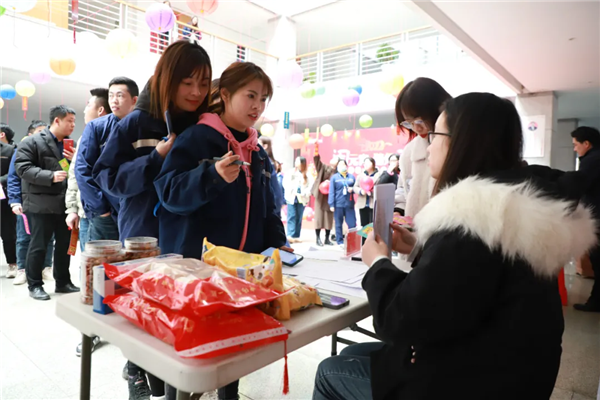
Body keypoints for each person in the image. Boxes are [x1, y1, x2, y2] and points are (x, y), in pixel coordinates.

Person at [314, 92, 596, 400]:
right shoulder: (509, 209)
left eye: (434, 134)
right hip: (513, 372)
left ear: (463, 143)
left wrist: (378, 263)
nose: (428, 144)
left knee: (329, 371)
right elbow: (468, 287)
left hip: (472, 383)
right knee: (354, 354)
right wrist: (417, 248)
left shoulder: (471, 219)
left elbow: (401, 321)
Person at [155, 61, 286, 400]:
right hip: (196, 267)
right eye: (250, 95)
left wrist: (278, 243)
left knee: (235, 341)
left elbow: (268, 205)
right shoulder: (198, 137)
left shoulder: (257, 151)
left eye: (264, 98)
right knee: (188, 346)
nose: (257, 106)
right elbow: (168, 192)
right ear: (225, 95)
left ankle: (230, 394)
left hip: (241, 268)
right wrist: (211, 175)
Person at [93, 41, 211, 400]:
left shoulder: (205, 126)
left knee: (178, 315)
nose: (196, 92)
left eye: (203, 83)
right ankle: (135, 374)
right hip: (144, 235)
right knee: (143, 314)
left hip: (188, 237)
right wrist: (155, 157)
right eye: (187, 82)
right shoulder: (137, 121)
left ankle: (175, 384)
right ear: (167, 79)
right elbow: (107, 177)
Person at [15, 106, 80, 301]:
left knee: (64, 245)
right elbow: (22, 168)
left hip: (64, 204)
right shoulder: (32, 142)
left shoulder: (70, 144)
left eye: (74, 121)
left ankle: (63, 282)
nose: (73, 125)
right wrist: (50, 176)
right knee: (39, 245)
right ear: (57, 121)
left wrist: (74, 160)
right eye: (69, 121)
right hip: (40, 203)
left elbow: (74, 172)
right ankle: (34, 284)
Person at [77, 78, 138, 244]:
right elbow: (83, 169)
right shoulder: (97, 127)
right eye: (111, 96)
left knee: (131, 257)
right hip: (105, 211)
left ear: (134, 100)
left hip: (134, 210)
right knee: (102, 258)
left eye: (120, 95)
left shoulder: (141, 126)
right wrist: (100, 208)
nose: (114, 100)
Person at [7, 121, 54, 285]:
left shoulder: (53, 149)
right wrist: (14, 200)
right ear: (30, 134)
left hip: (49, 201)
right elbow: (13, 177)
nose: (44, 135)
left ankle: (46, 267)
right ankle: (22, 269)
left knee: (49, 237)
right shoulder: (21, 149)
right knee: (23, 237)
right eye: (40, 132)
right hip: (26, 201)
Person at [66, 88, 111, 256]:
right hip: (86, 211)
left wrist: (101, 209)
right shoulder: (84, 137)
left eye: (88, 105)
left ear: (100, 110)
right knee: (88, 262)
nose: (85, 110)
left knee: (99, 262)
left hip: (101, 211)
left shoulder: (112, 134)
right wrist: (72, 208)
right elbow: (75, 175)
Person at [398, 77, 451, 217]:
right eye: (409, 123)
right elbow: (403, 189)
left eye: (420, 120)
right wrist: (398, 211)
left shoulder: (455, 146)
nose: (416, 128)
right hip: (413, 229)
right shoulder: (409, 152)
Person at [571, 126, 600, 312]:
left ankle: (596, 302)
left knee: (598, 260)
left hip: (597, 216)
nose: (575, 149)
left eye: (576, 145)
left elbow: (580, 184)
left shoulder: (592, 160)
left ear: (586, 144)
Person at [311, 143, 337, 246]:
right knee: (319, 218)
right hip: (320, 197)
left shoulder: (338, 172)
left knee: (328, 219)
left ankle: (327, 238)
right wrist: (316, 150)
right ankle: (317, 238)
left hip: (330, 197)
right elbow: (317, 161)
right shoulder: (323, 167)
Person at [0, 123, 17, 277]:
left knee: (8, 233)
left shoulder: (9, 150)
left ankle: (12, 264)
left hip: (4, 198)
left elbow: (14, 172)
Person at [283, 156, 313, 242]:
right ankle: (290, 235)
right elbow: (285, 183)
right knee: (291, 215)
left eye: (298, 161)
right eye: (295, 161)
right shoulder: (290, 172)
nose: (296, 163)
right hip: (292, 197)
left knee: (299, 217)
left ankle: (296, 235)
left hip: (302, 198)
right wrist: (292, 190)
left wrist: (305, 193)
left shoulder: (308, 174)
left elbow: (311, 185)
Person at [328, 159, 356, 246]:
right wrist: (331, 204)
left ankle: (352, 241)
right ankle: (340, 241)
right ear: (337, 167)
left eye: (343, 164)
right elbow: (331, 191)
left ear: (346, 166)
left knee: (352, 224)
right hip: (338, 204)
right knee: (338, 224)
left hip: (349, 204)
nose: (342, 166)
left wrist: (352, 190)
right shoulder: (334, 178)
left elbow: (356, 188)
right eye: (340, 165)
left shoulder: (351, 177)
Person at [258, 136, 284, 217]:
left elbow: (273, 185)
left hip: (270, 204)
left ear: (265, 146)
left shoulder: (266, 162)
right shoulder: (268, 161)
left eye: (258, 143)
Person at [355, 157, 380, 227]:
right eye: (364, 163)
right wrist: (361, 191)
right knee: (364, 225)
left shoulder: (379, 176)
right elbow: (355, 187)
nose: (365, 164)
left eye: (368, 163)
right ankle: (364, 235)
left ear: (373, 164)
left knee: (373, 225)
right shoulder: (361, 175)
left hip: (374, 204)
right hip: (363, 204)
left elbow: (381, 189)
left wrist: (371, 192)